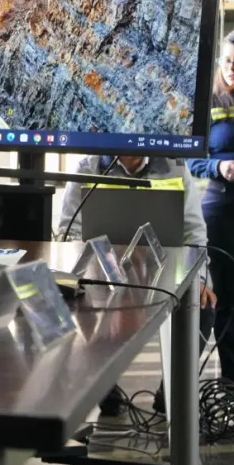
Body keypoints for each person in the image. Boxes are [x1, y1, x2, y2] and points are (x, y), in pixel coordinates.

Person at [58, 154, 216, 415]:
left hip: (164, 270)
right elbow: (70, 231)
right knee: (80, 306)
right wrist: (94, 273)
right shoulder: (88, 167)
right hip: (103, 273)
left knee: (203, 305)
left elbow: (194, 233)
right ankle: (104, 386)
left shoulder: (175, 166)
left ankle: (171, 390)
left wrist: (197, 278)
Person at [188, 31, 234, 384]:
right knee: (227, 296)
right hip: (221, 206)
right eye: (228, 61)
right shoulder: (209, 101)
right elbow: (192, 159)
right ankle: (230, 383)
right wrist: (219, 166)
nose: (232, 68)